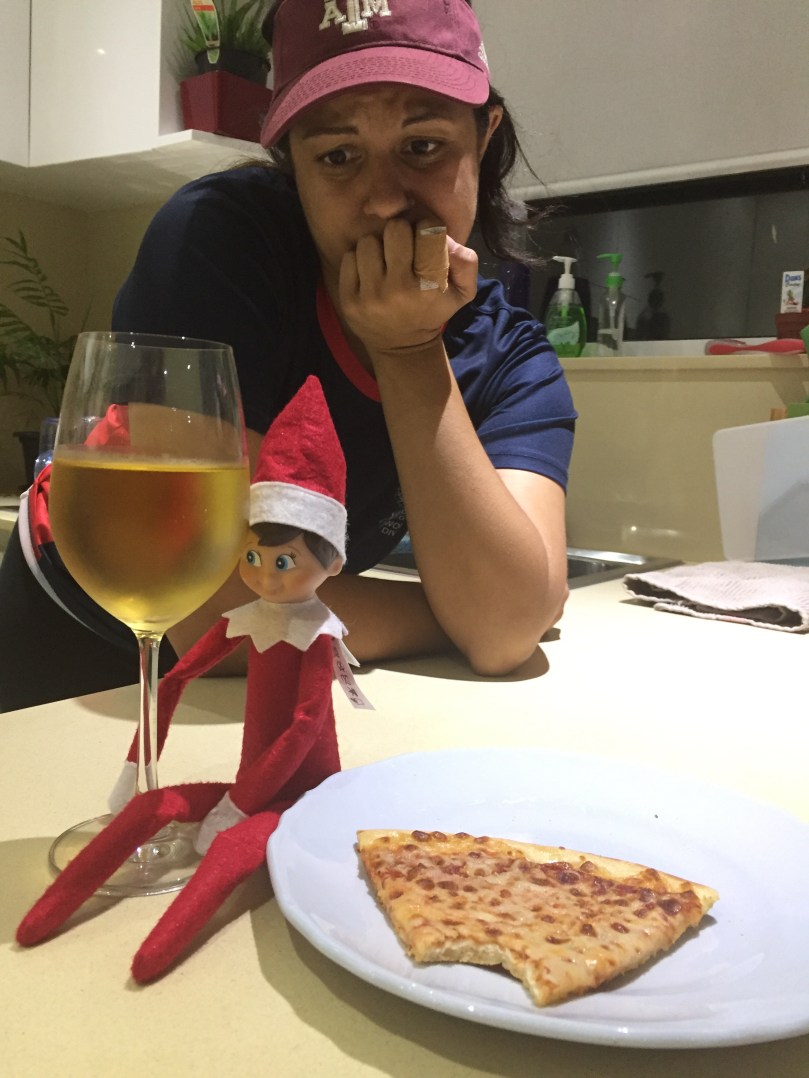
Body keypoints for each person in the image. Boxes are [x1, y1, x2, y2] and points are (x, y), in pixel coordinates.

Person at [0, 0, 576, 711]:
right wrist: (455, 616)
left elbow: (502, 634)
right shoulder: (221, 243)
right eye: (337, 156)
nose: (383, 201)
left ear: (483, 136)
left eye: (423, 145)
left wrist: (408, 350)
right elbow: (208, 602)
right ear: (292, 166)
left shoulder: (513, 355)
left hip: (279, 671)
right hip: (76, 628)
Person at [17, 377, 357, 982]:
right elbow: (178, 675)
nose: (264, 576)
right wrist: (135, 766)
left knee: (230, 852)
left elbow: (304, 728)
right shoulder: (248, 619)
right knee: (154, 806)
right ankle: (41, 919)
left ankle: (152, 960)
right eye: (252, 557)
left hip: (303, 794)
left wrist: (241, 804)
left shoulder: (314, 636)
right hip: (247, 787)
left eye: (284, 562)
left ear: (331, 563)